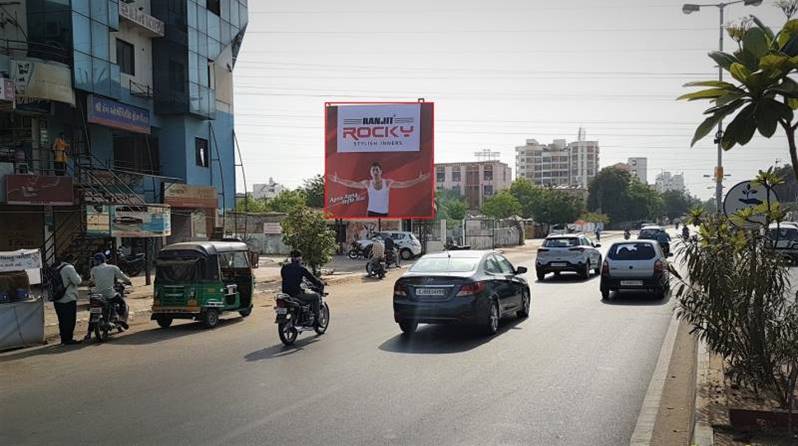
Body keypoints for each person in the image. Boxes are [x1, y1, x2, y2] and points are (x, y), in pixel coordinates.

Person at [330, 162, 430, 217]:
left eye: (377, 169)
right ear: (370, 172)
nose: (375, 171)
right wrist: (338, 180)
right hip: (371, 212)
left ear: (381, 171)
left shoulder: (387, 182)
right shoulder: (368, 183)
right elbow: (351, 183)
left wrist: (419, 180)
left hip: (384, 213)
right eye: (373, 170)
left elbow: (404, 184)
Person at [86, 252, 131, 339]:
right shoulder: (113, 267)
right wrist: (128, 281)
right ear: (105, 260)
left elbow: (91, 281)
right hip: (110, 294)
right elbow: (122, 277)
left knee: (93, 312)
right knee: (122, 302)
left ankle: (88, 333)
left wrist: (92, 284)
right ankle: (122, 320)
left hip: (97, 295)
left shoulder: (94, 269)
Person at [280, 250, 324, 319]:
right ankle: (316, 319)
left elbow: (284, 277)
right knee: (316, 297)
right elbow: (312, 279)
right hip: (296, 294)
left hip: (285, 293)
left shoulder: (284, 267)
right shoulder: (301, 268)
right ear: (300, 258)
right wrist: (320, 284)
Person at [53, 255, 82, 345]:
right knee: (70, 320)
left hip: (57, 298)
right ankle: (68, 339)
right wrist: (80, 276)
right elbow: (77, 281)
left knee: (62, 320)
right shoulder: (69, 268)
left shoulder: (56, 268)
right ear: (73, 260)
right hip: (68, 298)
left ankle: (63, 339)